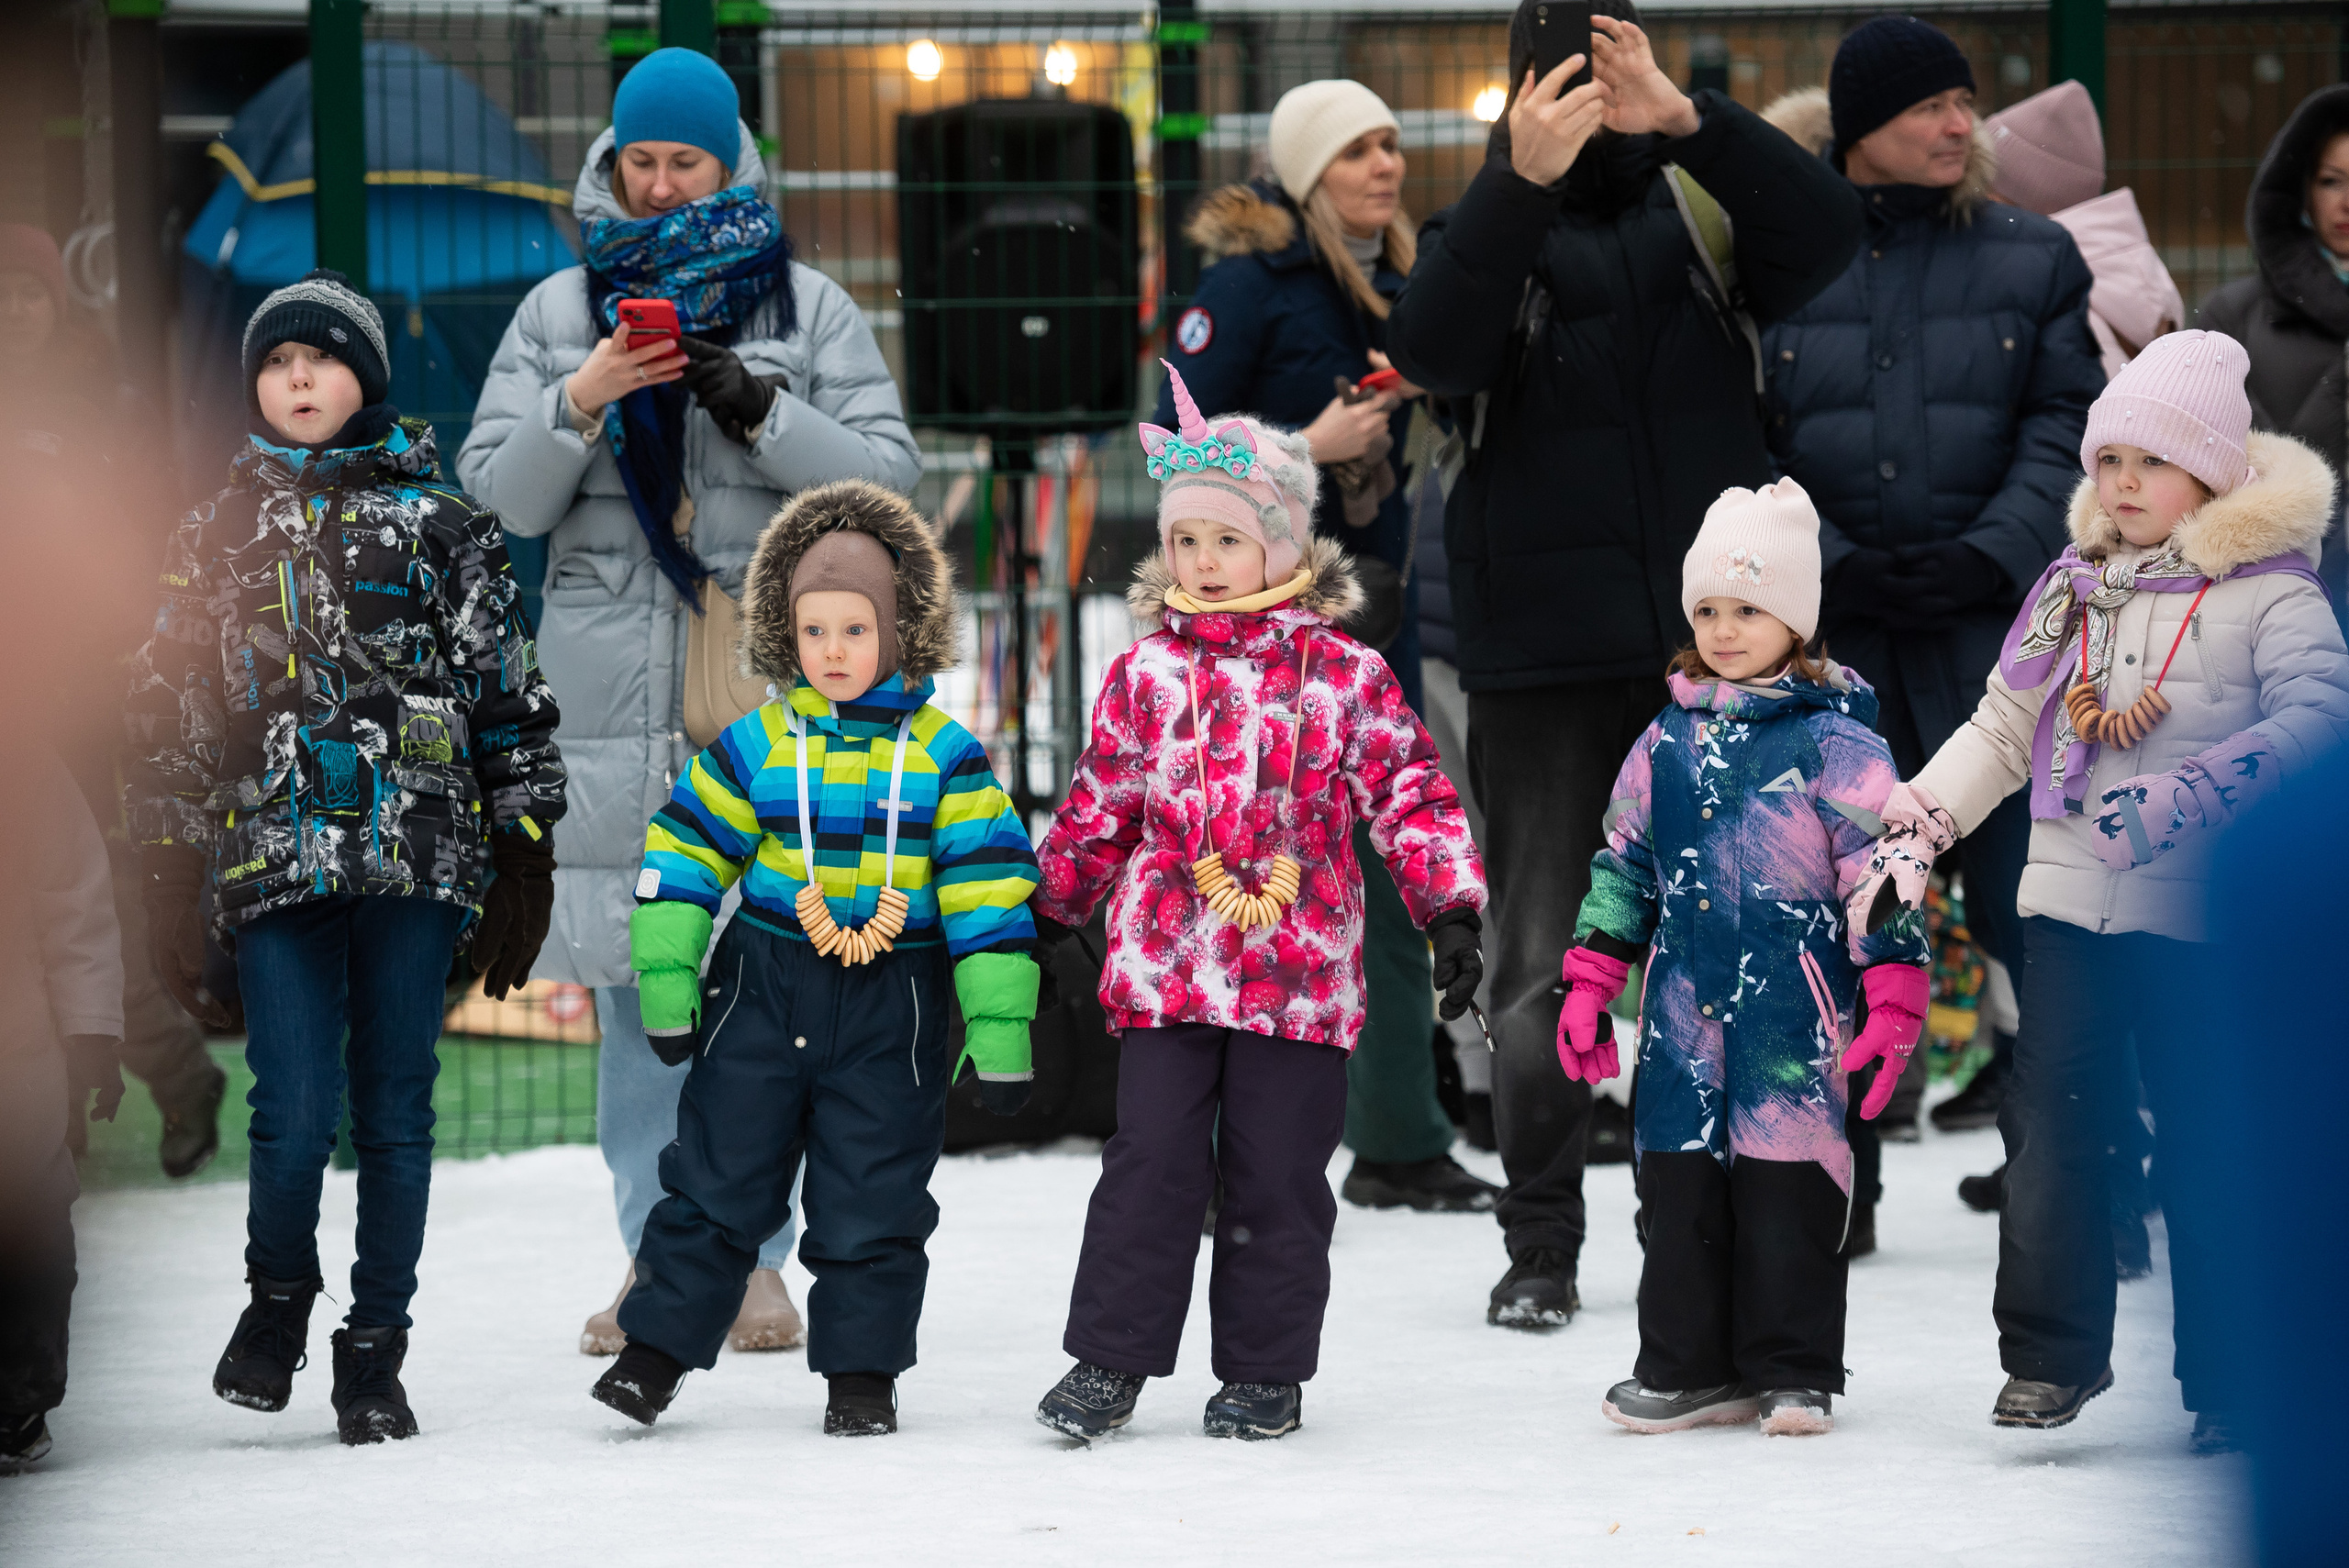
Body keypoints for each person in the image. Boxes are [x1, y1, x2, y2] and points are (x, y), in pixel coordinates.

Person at [1388, 1, 1863, 1327]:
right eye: (1570, 75)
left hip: (1721, 662)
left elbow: (1828, 233)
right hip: (1541, 668)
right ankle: (1539, 1234)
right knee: (1543, 960)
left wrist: (1692, 121)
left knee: (1738, 952)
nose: (1595, 96)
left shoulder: (1701, 213)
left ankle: (1710, 1219)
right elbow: (1431, 348)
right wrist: (1512, 185)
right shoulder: (1479, 230)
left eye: (1616, 66)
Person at [458, 46, 920, 1356]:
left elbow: (891, 486)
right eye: (640, 163)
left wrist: (761, 412)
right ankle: (662, 1261)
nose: (660, 187)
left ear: (732, 167)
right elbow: (494, 507)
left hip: (763, 692)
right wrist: (584, 400)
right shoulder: (559, 311)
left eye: (686, 164)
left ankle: (760, 1262)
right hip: (605, 706)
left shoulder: (807, 310)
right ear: (611, 163)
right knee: (634, 989)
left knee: (766, 985)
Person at [1853, 330, 2349, 1441]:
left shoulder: (2274, 593)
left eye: (2150, 462)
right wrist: (1919, 826)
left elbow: (2319, 722)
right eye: (2106, 459)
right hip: (2073, 906)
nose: (2121, 484)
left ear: (2214, 469)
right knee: (2050, 1123)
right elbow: (2001, 722)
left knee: (2209, 1137)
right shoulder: (2072, 588)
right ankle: (2048, 1356)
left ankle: (2230, 1376)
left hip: (2206, 918)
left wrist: (2191, 798)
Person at [124, 269, 568, 1445]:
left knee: (396, 1109)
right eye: (276, 362)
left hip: (415, 863)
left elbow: (506, 697)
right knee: (293, 1105)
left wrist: (524, 846)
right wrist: (168, 861)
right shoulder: (213, 531)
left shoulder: (444, 522)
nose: (297, 378)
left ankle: (375, 1348)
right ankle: (276, 1306)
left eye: (318, 359)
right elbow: (170, 705)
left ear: (362, 376)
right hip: (275, 860)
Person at [1027, 369, 1486, 1442]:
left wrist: (1447, 907)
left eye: (1225, 541)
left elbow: (1408, 789)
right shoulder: (1144, 673)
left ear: (1280, 546)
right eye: (1185, 541)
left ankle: (1265, 1370)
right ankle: (1110, 1358)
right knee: (1147, 1167)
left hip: (1297, 978)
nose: (1201, 561)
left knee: (1278, 1176)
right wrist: (1050, 913)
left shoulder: (1343, 675)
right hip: (1167, 968)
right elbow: (1100, 798)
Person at [589, 480, 1041, 1437]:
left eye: (853, 629)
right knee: (716, 1174)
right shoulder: (755, 745)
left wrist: (999, 1026)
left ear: (898, 632)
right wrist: (668, 981)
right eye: (812, 630)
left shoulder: (945, 757)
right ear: (783, 636)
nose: (832, 652)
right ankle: (654, 1352)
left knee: (871, 1190)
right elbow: (682, 854)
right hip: (763, 982)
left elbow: (988, 888)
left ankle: (862, 1374)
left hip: (894, 1001)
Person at [1758, 17, 2102, 1236]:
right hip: (1836, 655)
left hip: (1997, 647)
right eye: (1931, 108)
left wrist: (1991, 557)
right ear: (1860, 132)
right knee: (1833, 916)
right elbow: (1748, 443)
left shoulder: (2034, 255)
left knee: (2037, 915)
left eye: (1968, 103)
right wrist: (1835, 569)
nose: (1962, 126)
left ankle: (2067, 1184)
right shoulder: (1781, 263)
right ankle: (1830, 1189)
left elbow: (2070, 421)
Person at [1161, 78, 1492, 1214]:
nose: (1385, 166)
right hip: (1250, 645)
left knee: (1393, 874)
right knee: (1236, 884)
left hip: (1376, 627)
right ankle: (1213, 1156)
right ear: (1307, 173)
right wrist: (1309, 443)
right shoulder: (1247, 288)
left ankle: (1399, 1137)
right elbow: (1172, 455)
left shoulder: (1408, 282)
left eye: (1394, 144)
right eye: (1357, 150)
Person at [1559, 479, 1929, 1437]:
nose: (1724, 628)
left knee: (1787, 1191)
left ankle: (1794, 1367)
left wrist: (1891, 982)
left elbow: (1881, 870)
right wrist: (1594, 973)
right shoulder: (1663, 741)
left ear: (1796, 620)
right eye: (1708, 609)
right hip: (1682, 1013)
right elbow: (1624, 862)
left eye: (1749, 608)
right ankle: (1686, 1366)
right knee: (1677, 1190)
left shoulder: (1837, 744)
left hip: (1794, 1017)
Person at [0, 221, 227, 1180]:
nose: (15, 310)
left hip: (83, 701)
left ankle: (179, 1079)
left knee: (84, 908)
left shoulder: (105, 407)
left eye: (32, 293)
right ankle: (56, 1123)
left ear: (60, 305)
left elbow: (147, 551)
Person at [0, 748, 123, 1473]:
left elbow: (73, 901)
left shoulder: (24, 764)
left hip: (15, 1045)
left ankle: (19, 1396)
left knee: (35, 1213)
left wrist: (90, 1033)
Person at [2198, 83, 2349, 622]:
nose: (2347, 201)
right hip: (2270, 600)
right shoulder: (2232, 318)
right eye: (2331, 180)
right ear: (2300, 189)